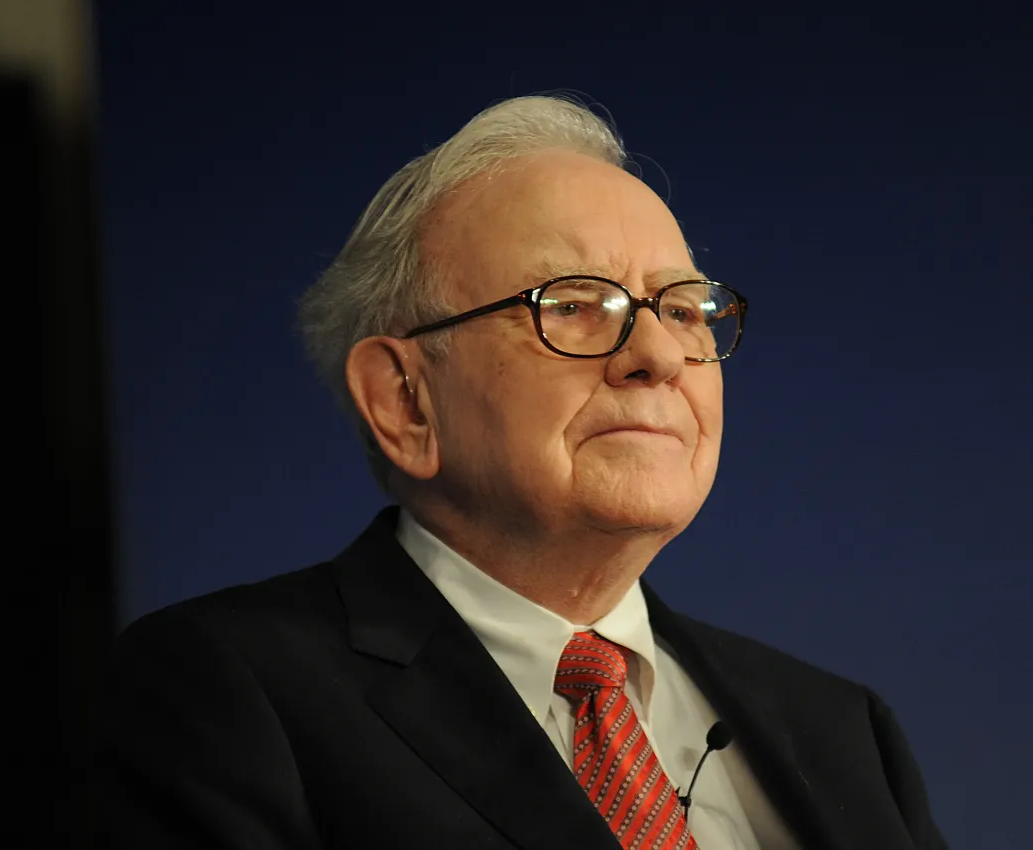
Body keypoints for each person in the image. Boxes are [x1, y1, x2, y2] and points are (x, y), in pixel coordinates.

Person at [91, 96, 948, 850]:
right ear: (405, 400)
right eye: (573, 305)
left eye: (684, 308)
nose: (657, 355)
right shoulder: (230, 694)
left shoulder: (840, 732)